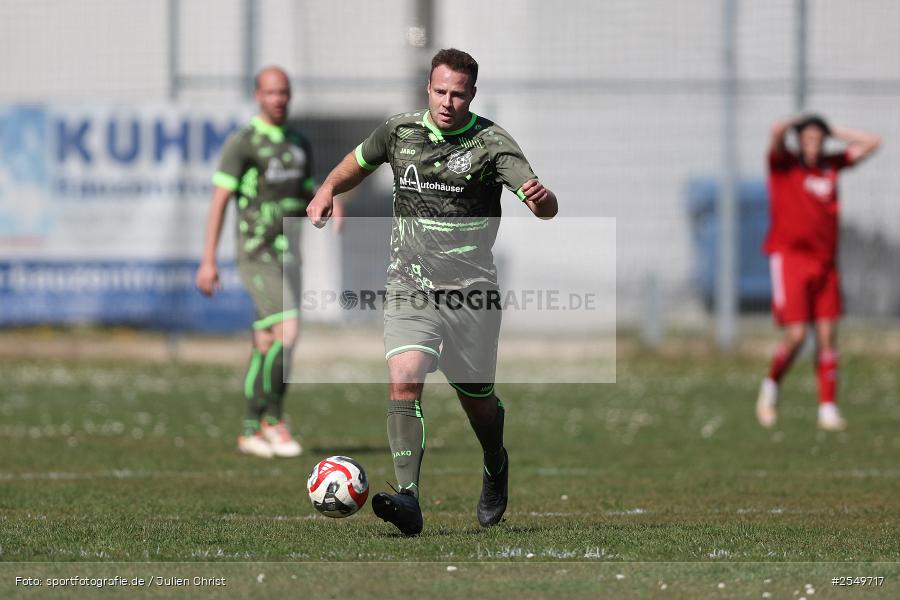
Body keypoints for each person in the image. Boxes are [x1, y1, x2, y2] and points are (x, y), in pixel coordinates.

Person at [307, 48, 558, 535]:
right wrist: (327, 189)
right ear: (428, 87)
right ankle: (409, 499)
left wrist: (544, 203)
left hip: (471, 291)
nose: (448, 102)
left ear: (472, 95)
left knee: (476, 399)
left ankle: (494, 462)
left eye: (458, 94)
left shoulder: (491, 142)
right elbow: (358, 162)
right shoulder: (400, 132)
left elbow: (540, 202)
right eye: (440, 91)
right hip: (409, 283)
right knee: (404, 377)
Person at [197, 66, 341, 458]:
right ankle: (274, 422)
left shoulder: (299, 144)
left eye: (285, 93)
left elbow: (310, 188)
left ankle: (250, 429)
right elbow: (220, 200)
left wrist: (334, 199)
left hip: (289, 256)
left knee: (267, 342)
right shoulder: (243, 143)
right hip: (256, 254)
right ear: (258, 95)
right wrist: (208, 259)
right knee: (287, 331)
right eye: (271, 92)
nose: (279, 99)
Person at [757, 114, 880, 431]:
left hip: (825, 262)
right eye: (807, 138)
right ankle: (770, 388)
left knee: (828, 335)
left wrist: (833, 130)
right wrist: (797, 123)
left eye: (818, 139)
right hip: (791, 259)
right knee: (798, 335)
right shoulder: (784, 165)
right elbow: (775, 133)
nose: (813, 144)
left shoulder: (831, 165)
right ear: (799, 140)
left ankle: (828, 409)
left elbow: (872, 143)